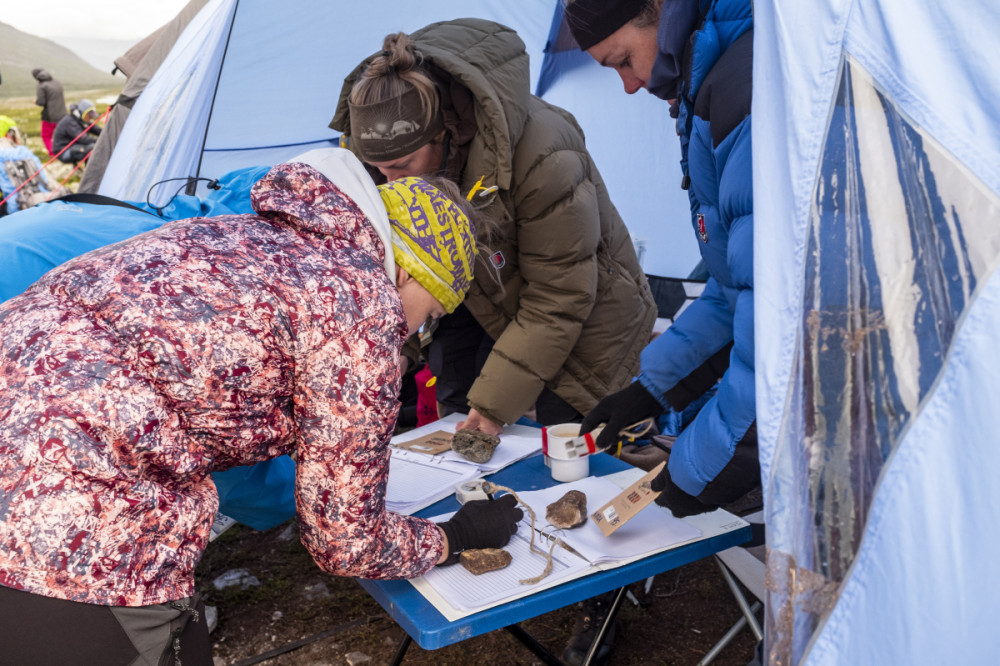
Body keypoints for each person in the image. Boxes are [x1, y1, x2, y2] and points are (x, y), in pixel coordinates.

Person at [0, 148, 523, 664]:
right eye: (428, 316)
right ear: (409, 275)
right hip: (67, 523)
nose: (413, 333)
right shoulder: (359, 303)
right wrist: (456, 536)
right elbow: (344, 541)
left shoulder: (239, 234)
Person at [331, 19, 657, 437]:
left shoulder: (543, 151)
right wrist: (394, 352)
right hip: (480, 296)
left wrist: (491, 409)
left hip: (582, 317)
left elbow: (560, 294)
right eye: (379, 171)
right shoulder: (382, 150)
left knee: (564, 444)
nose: (392, 185)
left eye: (401, 168)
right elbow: (401, 272)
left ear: (447, 134)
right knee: (455, 425)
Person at [569, 0, 759, 514]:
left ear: (659, 11)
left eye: (623, 61)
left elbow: (784, 315)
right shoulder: (709, 89)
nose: (629, 85)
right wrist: (653, 389)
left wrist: (703, 464)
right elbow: (735, 284)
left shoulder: (747, 88)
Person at [0, 115, 70, 216]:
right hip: (39, 205)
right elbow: (46, 181)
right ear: (9, 134)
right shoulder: (24, 151)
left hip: (12, 213)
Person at [52, 98, 103, 164]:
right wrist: (102, 140)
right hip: (63, 152)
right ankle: (90, 172)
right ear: (82, 113)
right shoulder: (70, 122)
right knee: (92, 148)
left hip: (75, 147)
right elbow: (83, 139)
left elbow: (98, 131)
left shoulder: (83, 119)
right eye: (89, 115)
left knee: (93, 147)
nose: (91, 118)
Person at [32, 68, 67, 157]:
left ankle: (53, 153)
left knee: (45, 135)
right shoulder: (57, 82)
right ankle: (64, 150)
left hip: (50, 116)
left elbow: (42, 102)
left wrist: (36, 101)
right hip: (62, 114)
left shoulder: (41, 86)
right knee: (61, 134)